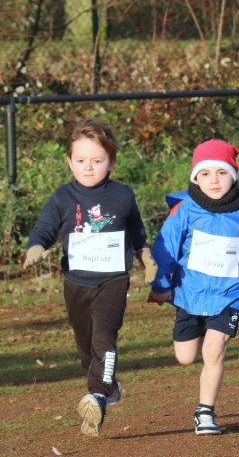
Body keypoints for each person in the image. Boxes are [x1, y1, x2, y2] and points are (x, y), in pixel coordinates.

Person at [23, 118, 153, 437]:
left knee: (104, 339)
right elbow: (44, 229)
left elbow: (136, 230)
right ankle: (109, 383)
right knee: (86, 347)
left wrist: (146, 256)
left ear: (111, 162)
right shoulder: (63, 197)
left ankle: (98, 397)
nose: (88, 167)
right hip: (76, 285)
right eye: (81, 161)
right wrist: (36, 247)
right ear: (69, 162)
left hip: (113, 281)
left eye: (97, 161)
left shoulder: (123, 195)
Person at [147, 139, 239, 434]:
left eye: (221, 172)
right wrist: (161, 285)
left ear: (234, 175)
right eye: (205, 174)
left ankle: (205, 412)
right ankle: (204, 337)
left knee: (214, 350)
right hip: (190, 295)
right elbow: (165, 250)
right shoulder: (184, 210)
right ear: (195, 177)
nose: (214, 180)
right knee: (185, 357)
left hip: (231, 295)